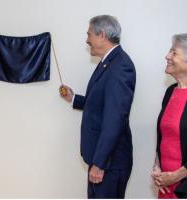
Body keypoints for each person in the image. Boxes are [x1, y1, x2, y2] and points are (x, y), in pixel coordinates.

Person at [59, 15, 136, 198]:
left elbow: (114, 120)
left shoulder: (120, 66)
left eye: (89, 34)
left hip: (109, 163)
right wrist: (73, 98)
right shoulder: (107, 62)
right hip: (102, 160)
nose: (87, 40)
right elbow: (102, 105)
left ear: (102, 35)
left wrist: (100, 163)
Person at [151, 33, 187, 199]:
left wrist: (178, 175)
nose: (167, 56)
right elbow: (164, 136)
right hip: (166, 184)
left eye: (174, 52)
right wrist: (157, 167)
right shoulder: (170, 91)